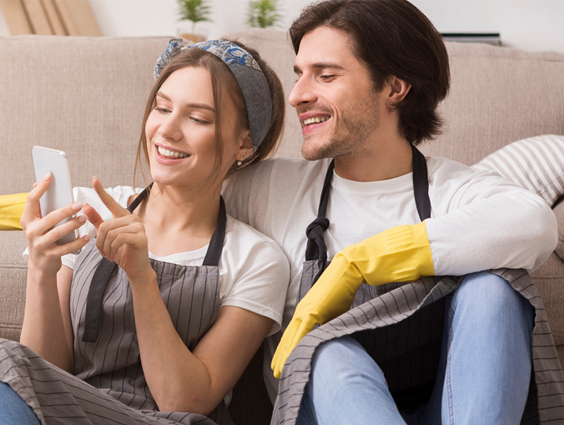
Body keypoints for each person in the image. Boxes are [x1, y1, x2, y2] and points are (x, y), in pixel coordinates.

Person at [222, 0, 564, 424]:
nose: (297, 96)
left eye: (325, 75)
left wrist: (360, 263)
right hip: (325, 407)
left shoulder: (453, 190)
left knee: (494, 289)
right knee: (327, 352)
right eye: (299, 75)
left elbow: (535, 223)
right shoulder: (267, 188)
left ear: (395, 88)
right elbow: (169, 210)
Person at [0, 38, 289, 425]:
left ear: (244, 143)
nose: (166, 130)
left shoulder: (257, 259)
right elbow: (41, 375)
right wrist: (41, 268)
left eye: (198, 118)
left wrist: (141, 277)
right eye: (161, 107)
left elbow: (185, 400)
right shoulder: (90, 209)